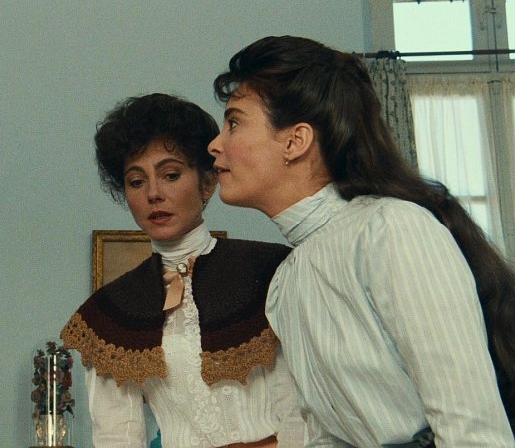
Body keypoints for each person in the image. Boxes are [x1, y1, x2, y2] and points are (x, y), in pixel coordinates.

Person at [208, 35, 515, 446]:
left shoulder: (390, 230)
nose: (215, 145)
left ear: (295, 142)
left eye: (233, 123)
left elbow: (473, 430)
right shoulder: (288, 280)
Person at [61, 93, 305, 448]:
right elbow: (117, 438)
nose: (154, 194)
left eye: (171, 175)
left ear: (208, 182)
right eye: (136, 181)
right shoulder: (111, 313)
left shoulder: (272, 270)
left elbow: (305, 408)